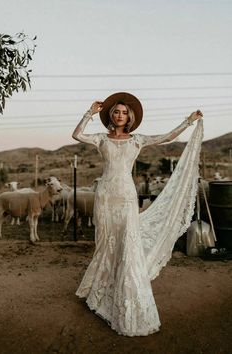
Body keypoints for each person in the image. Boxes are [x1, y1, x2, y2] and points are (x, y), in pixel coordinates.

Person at [72, 92, 203, 337]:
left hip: (126, 197)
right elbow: (77, 135)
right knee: (104, 245)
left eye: (124, 112)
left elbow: (166, 137)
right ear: (111, 115)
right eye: (116, 112)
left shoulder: (137, 140)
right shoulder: (101, 138)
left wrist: (188, 121)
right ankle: (101, 294)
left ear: (129, 117)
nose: (120, 115)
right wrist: (89, 113)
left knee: (127, 246)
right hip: (105, 197)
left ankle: (126, 299)